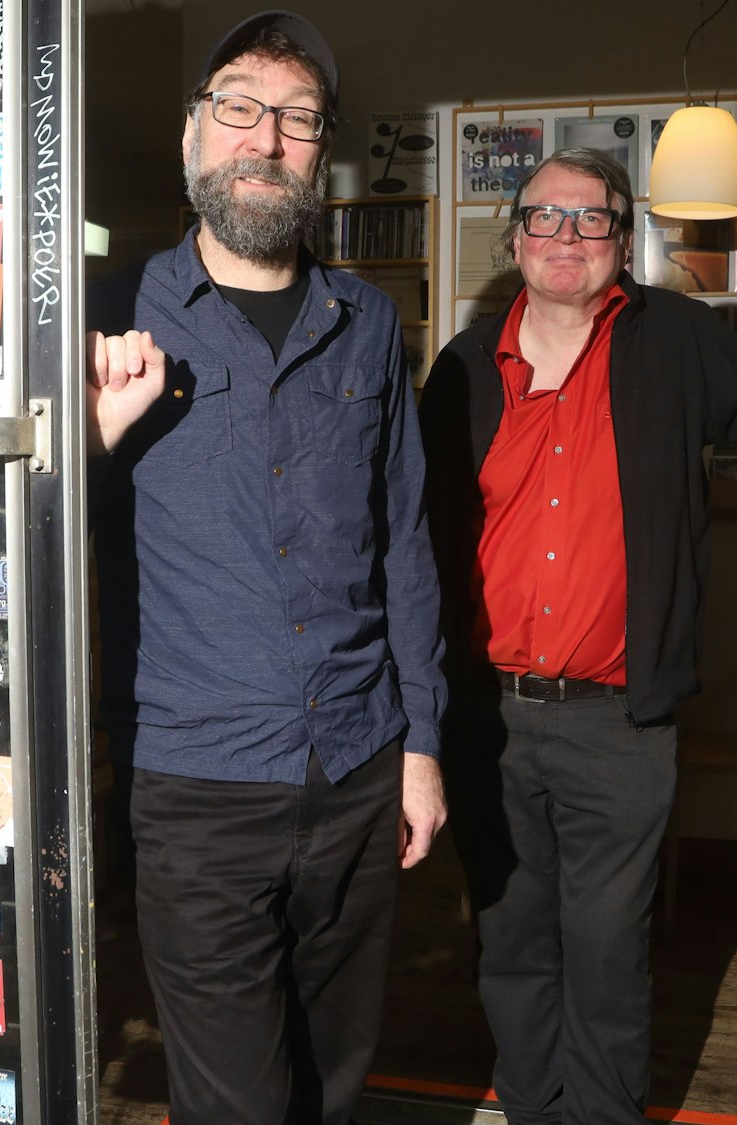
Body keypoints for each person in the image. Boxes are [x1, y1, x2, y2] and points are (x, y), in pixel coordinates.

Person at [418, 148, 737, 1125]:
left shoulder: (677, 339)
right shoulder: (465, 364)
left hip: (618, 720)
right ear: (515, 237)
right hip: (486, 712)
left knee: (607, 944)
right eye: (545, 220)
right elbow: (420, 522)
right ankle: (531, 1105)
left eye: (589, 221)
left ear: (621, 238)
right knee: (511, 937)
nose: (565, 239)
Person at [84, 12, 446, 1124]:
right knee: (237, 1102)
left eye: (294, 118)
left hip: (354, 763)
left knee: (334, 1081)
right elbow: (16, 537)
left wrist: (420, 747)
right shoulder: (101, 317)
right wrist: (97, 434)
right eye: (238, 107)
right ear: (194, 134)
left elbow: (404, 540)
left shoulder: (369, 322)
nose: (264, 138)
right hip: (193, 781)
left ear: (320, 149)